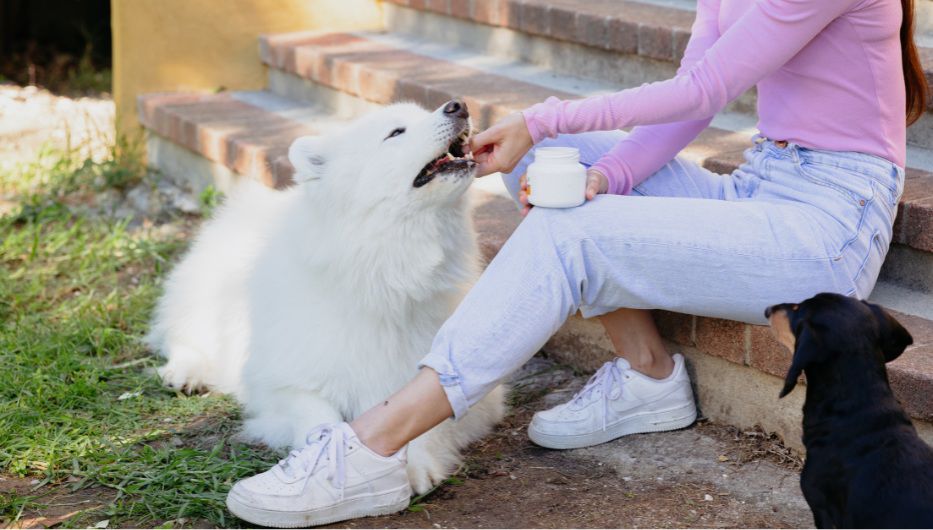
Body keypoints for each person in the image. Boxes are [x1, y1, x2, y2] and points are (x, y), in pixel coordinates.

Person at [225, 0, 926, 526]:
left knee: (567, 224)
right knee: (545, 168)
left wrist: (548, 115)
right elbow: (685, 105)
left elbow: (703, 93)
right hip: (761, 186)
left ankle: (370, 448)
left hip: (826, 225)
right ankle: (648, 377)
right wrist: (607, 175)